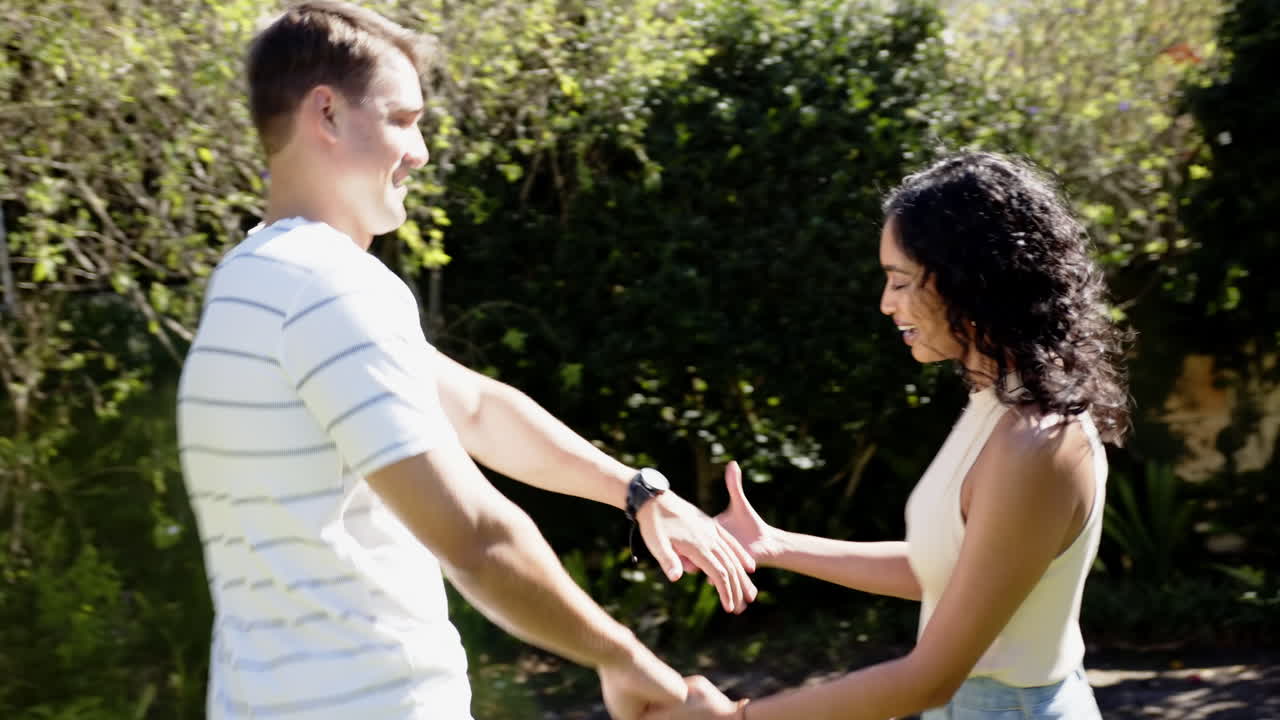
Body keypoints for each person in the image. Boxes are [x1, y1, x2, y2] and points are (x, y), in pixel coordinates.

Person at [176, 3, 757, 719]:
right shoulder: (331, 288)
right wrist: (626, 661)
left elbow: (476, 408)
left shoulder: (252, 279)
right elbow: (476, 537)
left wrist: (639, 493)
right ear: (325, 112)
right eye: (403, 119)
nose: (420, 151)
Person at [649, 150, 1131, 720]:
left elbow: (929, 678)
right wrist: (777, 545)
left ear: (969, 281)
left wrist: (737, 719)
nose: (886, 303)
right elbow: (956, 572)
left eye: (900, 281)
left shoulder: (1037, 445)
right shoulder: (995, 409)